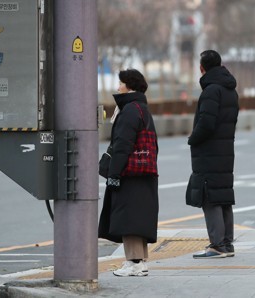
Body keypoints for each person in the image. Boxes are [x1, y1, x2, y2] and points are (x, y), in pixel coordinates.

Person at [98, 69, 159, 276]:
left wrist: (114, 174)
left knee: (129, 218)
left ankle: (133, 263)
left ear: (129, 86)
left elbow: (122, 145)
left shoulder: (130, 110)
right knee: (139, 216)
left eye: (121, 83)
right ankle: (140, 262)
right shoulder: (142, 108)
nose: (118, 87)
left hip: (130, 173)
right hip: (143, 171)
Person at [186, 50, 239, 259]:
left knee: (210, 196)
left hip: (209, 151)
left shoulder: (211, 90)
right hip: (225, 150)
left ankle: (217, 245)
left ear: (202, 68)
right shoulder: (230, 90)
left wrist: (193, 138)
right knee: (223, 195)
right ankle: (226, 244)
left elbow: (206, 123)